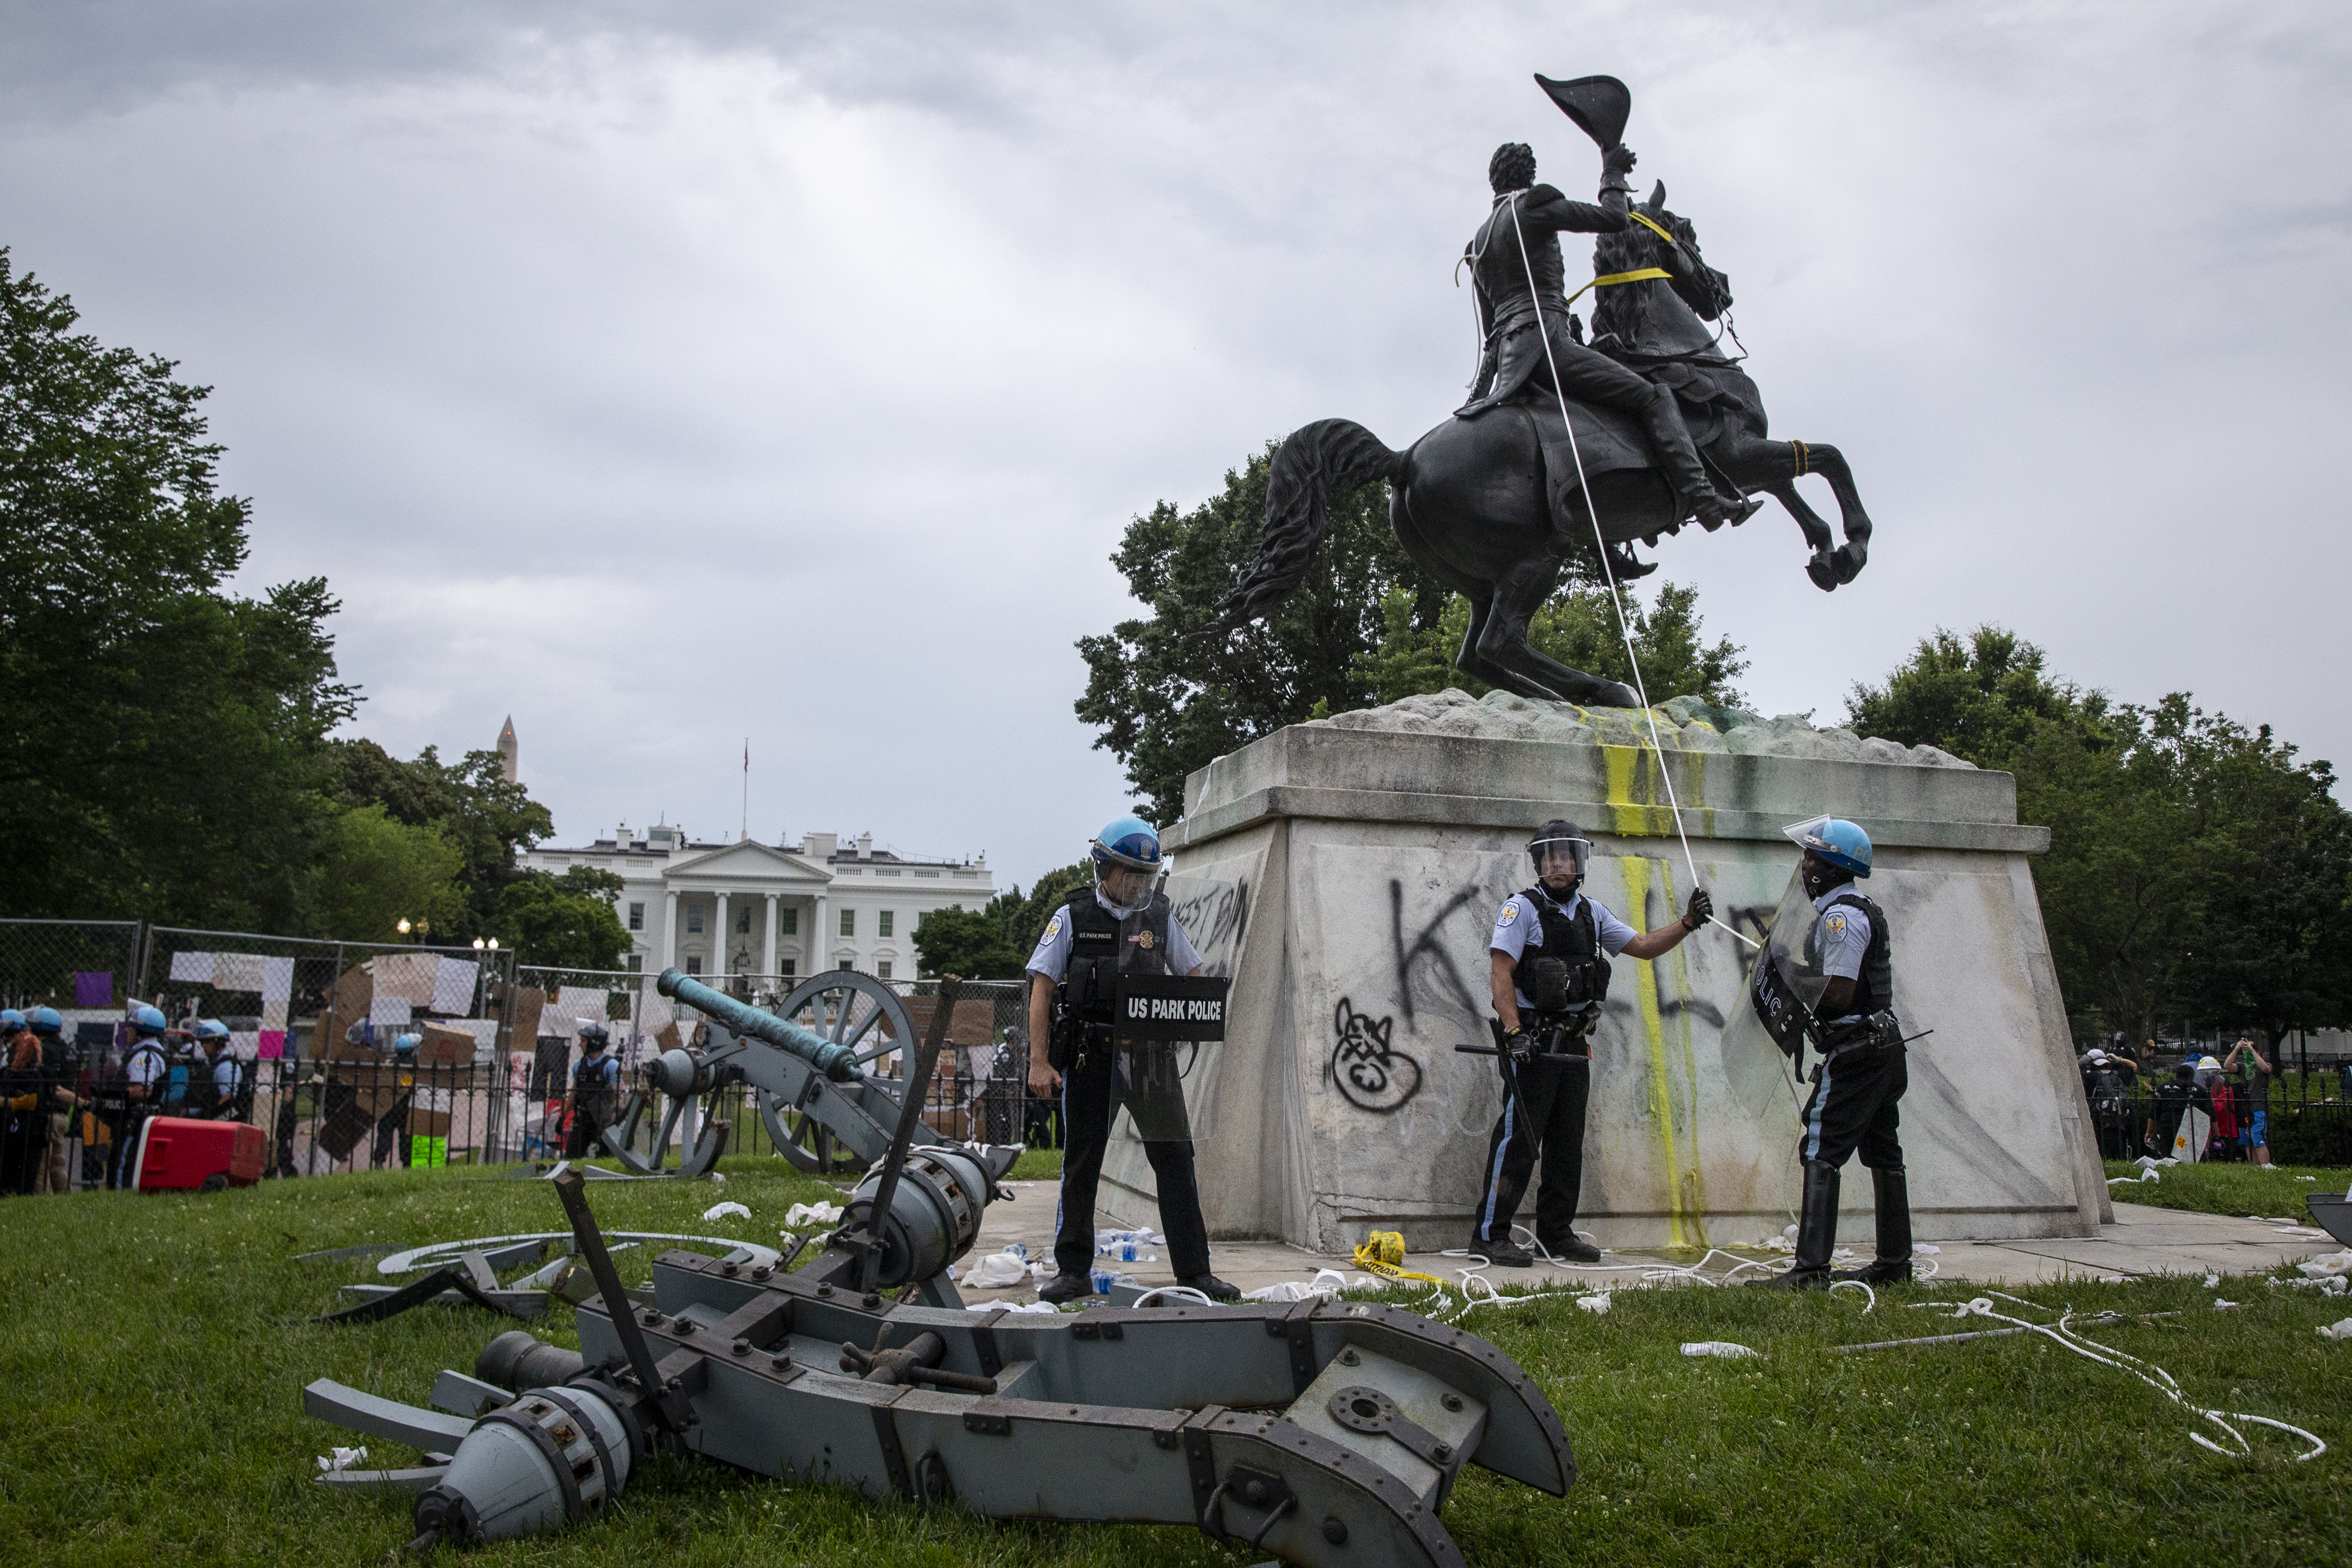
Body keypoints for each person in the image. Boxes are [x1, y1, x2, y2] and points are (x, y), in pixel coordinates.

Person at [1457, 140, 1759, 532]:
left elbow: (1493, 335)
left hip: (1514, 366)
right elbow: (1614, 219)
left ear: (1494, 179)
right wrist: (1611, 173)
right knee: (1653, 396)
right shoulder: (1535, 207)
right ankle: (1704, 499)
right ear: (1528, 175)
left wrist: (1478, 398)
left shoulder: (1476, 247)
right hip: (1552, 348)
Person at [1471, 818, 1711, 1266]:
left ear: (1579, 862)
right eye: (1550, 858)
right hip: (1533, 1043)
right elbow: (1501, 971)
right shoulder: (1521, 909)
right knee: (1518, 1139)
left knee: (1567, 1141)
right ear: (1539, 864)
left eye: (1565, 857)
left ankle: (1556, 1232)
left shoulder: (1592, 913)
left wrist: (1689, 923)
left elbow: (1641, 944)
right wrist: (1513, 1032)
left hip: (1574, 1046)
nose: (1558, 866)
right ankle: (1490, 1233)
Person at [1025, 814, 1236, 1303]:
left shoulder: (1159, 918)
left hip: (1150, 1062)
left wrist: (1191, 1017)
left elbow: (1193, 972)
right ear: (1104, 869)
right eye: (1130, 874)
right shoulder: (1072, 916)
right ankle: (1072, 1270)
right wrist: (1039, 1061)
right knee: (1082, 1162)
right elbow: (1041, 987)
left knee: (1177, 1159)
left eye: (1146, 875)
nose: (1138, 884)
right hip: (1090, 1057)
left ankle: (1195, 1272)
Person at [1774, 816, 1913, 1289]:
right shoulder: (1854, 908)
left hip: (1857, 1049)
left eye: (1812, 856)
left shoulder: (1842, 917)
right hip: (1881, 1047)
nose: (1805, 864)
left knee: (1819, 1146)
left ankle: (1810, 1270)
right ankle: (1895, 1264)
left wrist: (1791, 974)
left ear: (1833, 866)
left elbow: (1837, 992)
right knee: (1882, 1152)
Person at [107, 1005, 173, 1189]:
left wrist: (114, 1094)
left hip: (135, 1120)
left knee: (122, 1165)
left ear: (140, 1031)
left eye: (131, 1026)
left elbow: (143, 1090)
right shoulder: (155, 1051)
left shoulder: (144, 1056)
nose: (127, 1030)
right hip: (145, 1119)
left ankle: (117, 1201)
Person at [23, 1009, 80, 1194]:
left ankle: (41, 1203)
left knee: (41, 1166)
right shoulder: (69, 1050)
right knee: (57, 1163)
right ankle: (65, 1199)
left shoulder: (44, 1051)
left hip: (48, 1113)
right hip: (63, 1114)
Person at [564, 1023, 620, 1159]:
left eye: (584, 1041)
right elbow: (574, 1092)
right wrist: (562, 1116)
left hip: (602, 1120)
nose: (580, 1045)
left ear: (594, 1043)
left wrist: (613, 1119)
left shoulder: (611, 1065)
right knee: (571, 1157)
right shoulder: (579, 1065)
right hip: (583, 1118)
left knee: (604, 1158)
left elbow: (618, 1095)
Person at [2077, 1047, 2140, 1159]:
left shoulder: (2090, 1077)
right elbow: (2134, 1066)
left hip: (2099, 1122)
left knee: (2102, 1156)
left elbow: (2071, 1072)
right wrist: (2118, 1060)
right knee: (2120, 1156)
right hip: (2121, 1122)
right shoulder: (2119, 1075)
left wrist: (2081, 1062)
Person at [2224, 1038, 2275, 1165]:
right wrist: (2237, 1049)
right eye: (2245, 1050)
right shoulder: (2242, 1067)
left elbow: (2266, 1069)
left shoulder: (2264, 1065)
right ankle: (2255, 1166)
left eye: (2250, 1050)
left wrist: (2252, 1050)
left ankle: (2265, 1166)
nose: (2247, 1052)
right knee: (2247, 1140)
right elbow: (2228, 1066)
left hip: (2258, 1107)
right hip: (2244, 1108)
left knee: (2258, 1138)